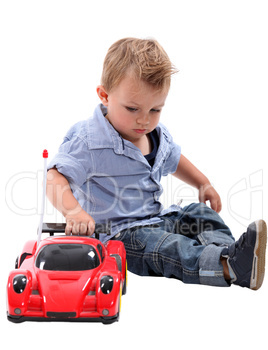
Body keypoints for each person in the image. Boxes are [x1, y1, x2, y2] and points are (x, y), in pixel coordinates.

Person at [47, 37, 267, 290]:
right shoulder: (88, 140)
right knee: (168, 247)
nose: (144, 120)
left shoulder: (155, 135)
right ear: (104, 96)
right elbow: (55, 177)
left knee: (198, 214)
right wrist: (73, 211)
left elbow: (174, 158)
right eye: (132, 109)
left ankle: (229, 256)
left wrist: (202, 182)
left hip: (156, 218)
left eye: (155, 110)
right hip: (121, 236)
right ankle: (224, 267)